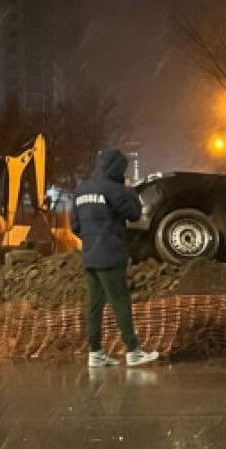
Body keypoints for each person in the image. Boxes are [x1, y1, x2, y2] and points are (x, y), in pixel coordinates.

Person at [71, 148, 159, 368]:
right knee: (120, 301)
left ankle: (95, 353)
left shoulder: (81, 189)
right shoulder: (113, 189)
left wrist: (92, 238)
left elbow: (75, 226)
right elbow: (134, 213)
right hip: (110, 254)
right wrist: (129, 190)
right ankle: (133, 351)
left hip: (90, 256)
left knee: (94, 305)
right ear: (117, 168)